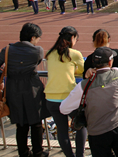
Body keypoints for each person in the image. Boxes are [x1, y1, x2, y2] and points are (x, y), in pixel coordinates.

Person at [60, 47, 118, 157]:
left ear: (93, 62)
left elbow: (63, 108)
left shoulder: (83, 86)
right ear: (110, 62)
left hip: (97, 132)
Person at [0, 23, 48, 157]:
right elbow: (37, 62)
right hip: (32, 89)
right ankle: (38, 152)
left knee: (20, 123)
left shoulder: (8, 49)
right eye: (38, 38)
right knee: (36, 123)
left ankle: (23, 152)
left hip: (13, 89)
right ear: (33, 37)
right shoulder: (37, 50)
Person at [83, 29, 118, 153]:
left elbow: (85, 75)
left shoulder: (90, 59)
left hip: (98, 98)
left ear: (93, 41)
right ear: (109, 40)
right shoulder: (117, 54)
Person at [44, 26, 86, 157]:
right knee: (81, 124)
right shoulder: (74, 54)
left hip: (51, 97)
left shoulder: (50, 53)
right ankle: (80, 154)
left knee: (62, 131)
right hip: (69, 97)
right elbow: (81, 71)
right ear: (73, 38)